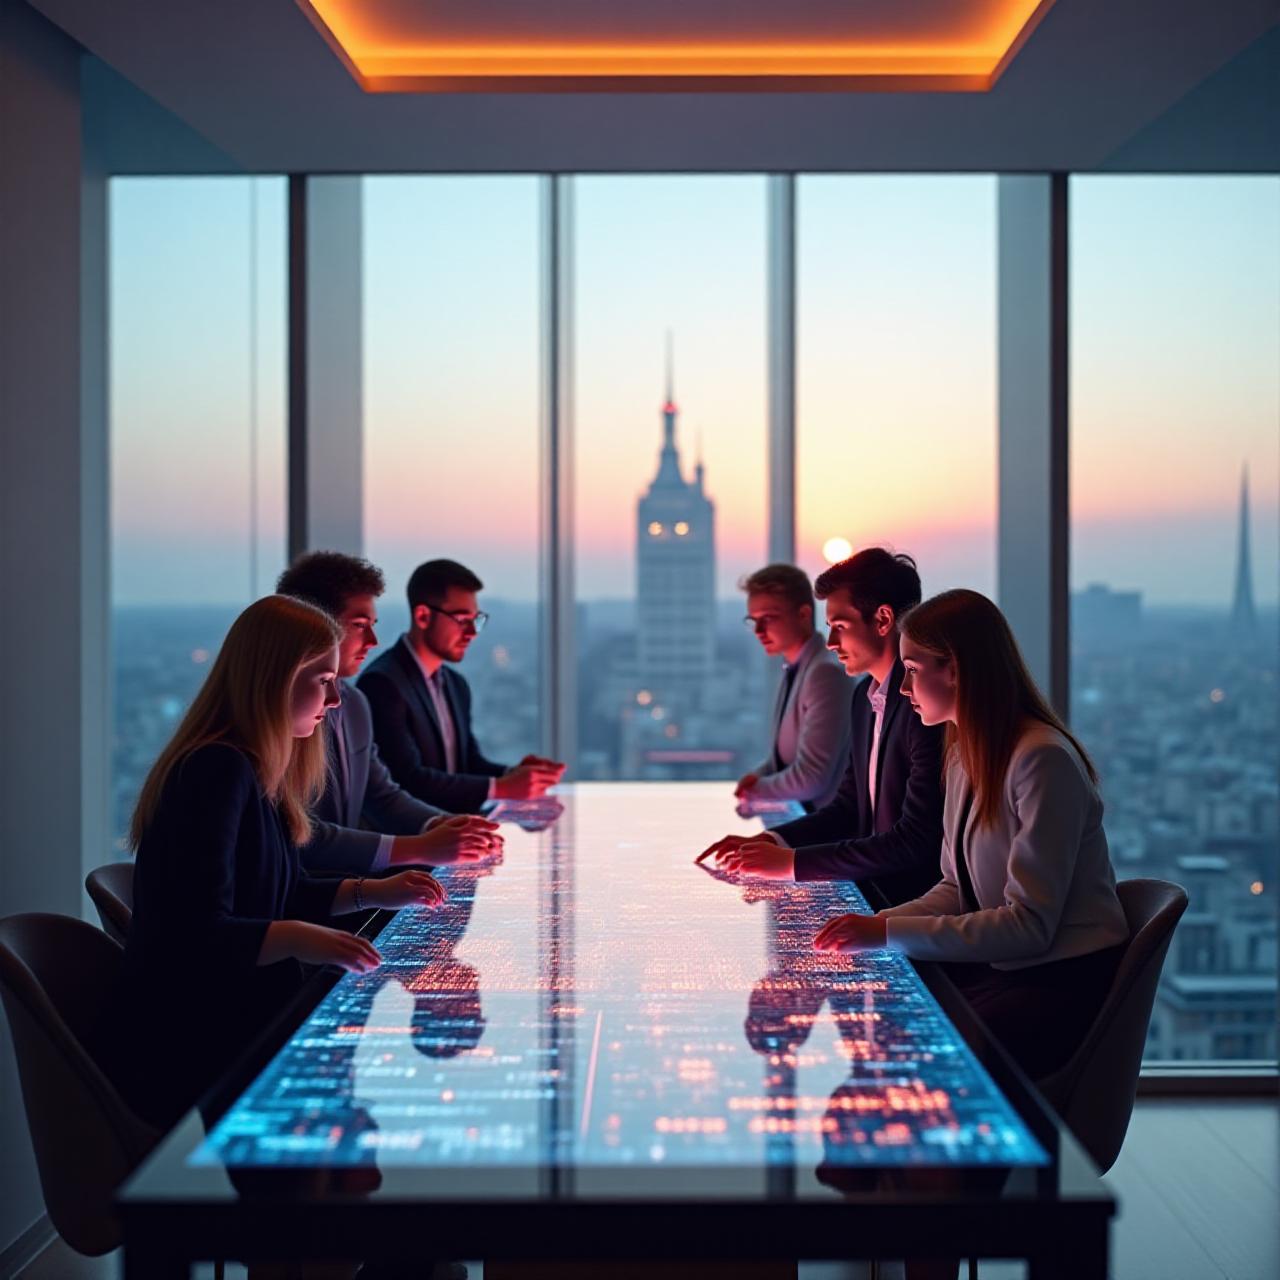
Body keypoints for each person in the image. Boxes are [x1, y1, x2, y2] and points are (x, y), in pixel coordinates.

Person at [108, 595, 448, 1128]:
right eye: (321, 679)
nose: (336, 698)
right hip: (199, 1048)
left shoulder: (247, 767)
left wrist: (374, 890)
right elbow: (197, 933)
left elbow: (279, 892)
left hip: (227, 1024)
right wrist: (298, 937)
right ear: (272, 679)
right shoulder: (215, 772)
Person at [814, 588, 1130, 1080]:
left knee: (901, 1055)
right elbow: (955, 889)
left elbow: (1029, 926)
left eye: (914, 671)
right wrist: (879, 926)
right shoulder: (965, 752)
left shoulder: (1041, 761)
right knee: (879, 1032)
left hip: (1055, 988)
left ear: (956, 669)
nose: (903, 688)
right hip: (1004, 972)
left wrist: (886, 932)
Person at [699, 548, 943, 907]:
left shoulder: (924, 710)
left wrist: (792, 863)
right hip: (876, 897)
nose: (831, 643)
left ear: (883, 620)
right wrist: (774, 841)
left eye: (840, 627)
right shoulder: (864, 698)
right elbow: (848, 808)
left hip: (914, 909)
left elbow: (914, 840)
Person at [276, 551, 502, 875]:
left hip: (335, 892)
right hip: (298, 902)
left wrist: (442, 823)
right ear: (314, 624)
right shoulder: (283, 715)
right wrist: (420, 847)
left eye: (373, 624)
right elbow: (298, 835)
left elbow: (381, 793)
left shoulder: (353, 703)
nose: (372, 640)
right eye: (359, 625)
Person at [359, 558, 564, 813]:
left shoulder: (455, 685)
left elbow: (466, 764)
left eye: (476, 620)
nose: (471, 633)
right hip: (417, 839)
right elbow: (407, 780)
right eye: (461, 620)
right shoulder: (383, 683)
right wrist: (503, 787)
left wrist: (518, 775)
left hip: (454, 833)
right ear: (423, 616)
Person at [734, 563, 851, 811]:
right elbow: (790, 759)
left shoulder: (824, 673)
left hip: (823, 831)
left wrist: (756, 792)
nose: (758, 631)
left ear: (804, 614)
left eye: (768, 618)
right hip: (806, 822)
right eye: (753, 620)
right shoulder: (796, 668)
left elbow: (812, 778)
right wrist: (760, 775)